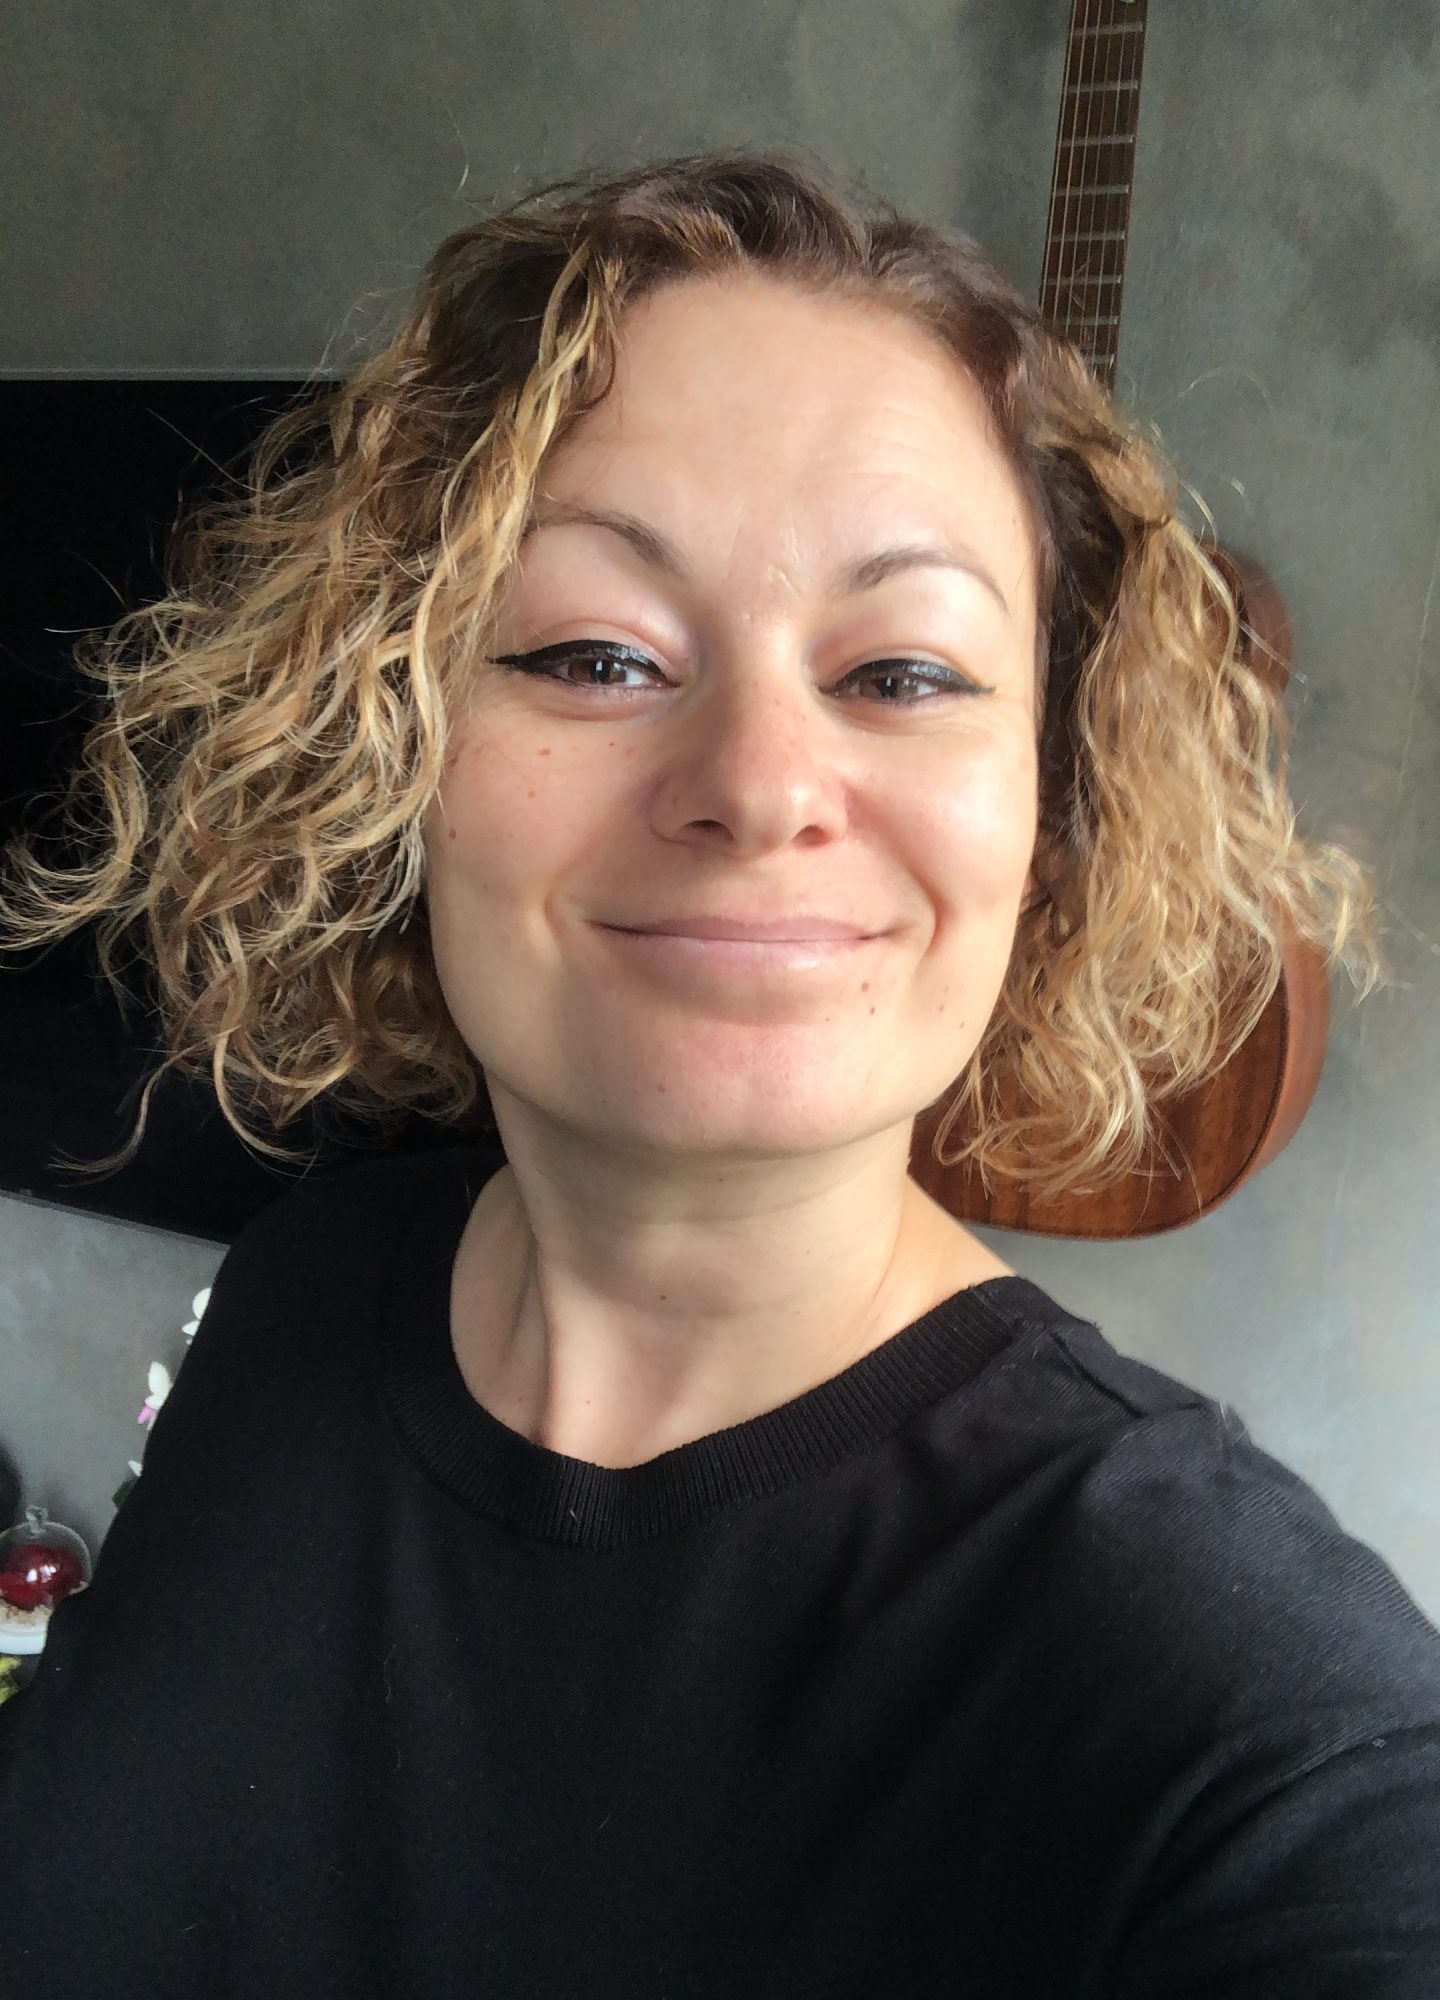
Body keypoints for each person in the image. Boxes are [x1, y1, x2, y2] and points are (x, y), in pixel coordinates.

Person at [1, 148, 1437, 1997]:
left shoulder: (1258, 1714)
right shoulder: (307, 1281)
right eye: (596, 654)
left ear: (1055, 808)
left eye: (903, 674)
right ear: (389, 743)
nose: (759, 785)